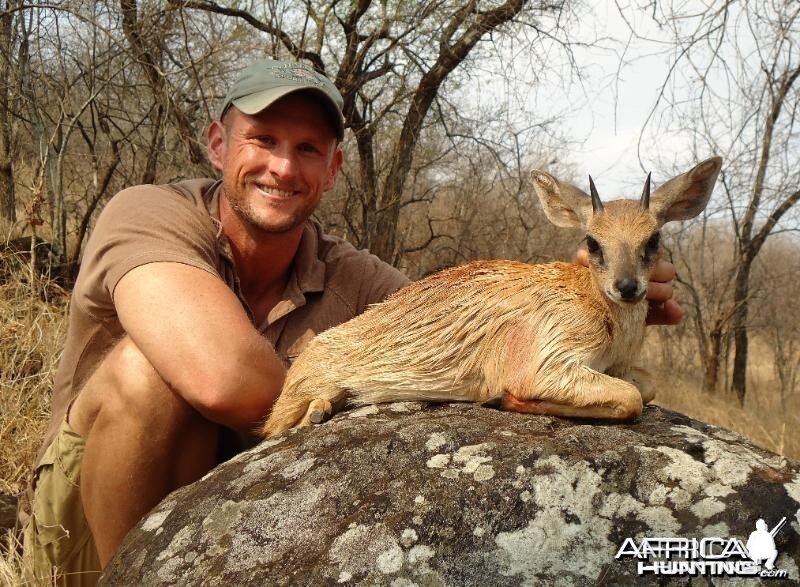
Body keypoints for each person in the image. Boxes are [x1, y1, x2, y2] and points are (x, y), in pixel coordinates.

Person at [21, 58, 682, 585]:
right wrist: (336, 372)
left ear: (334, 168)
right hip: (88, 519)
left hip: (215, 508)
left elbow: (448, 318)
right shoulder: (148, 212)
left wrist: (577, 291)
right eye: (264, 140)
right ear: (218, 144)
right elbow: (223, 382)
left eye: (308, 148)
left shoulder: (353, 273)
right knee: (148, 375)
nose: (283, 165)